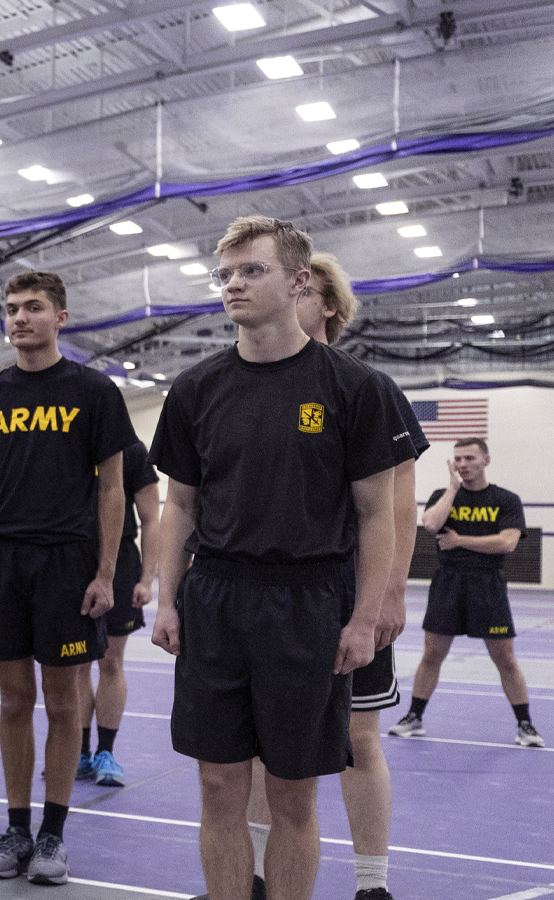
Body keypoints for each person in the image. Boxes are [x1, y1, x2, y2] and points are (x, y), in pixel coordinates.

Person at [148, 217, 413, 900]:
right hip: (218, 600)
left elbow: (377, 513)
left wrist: (362, 618)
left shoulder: (356, 388)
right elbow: (179, 506)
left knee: (293, 796)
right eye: (226, 273)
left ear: (299, 281)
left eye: (251, 270)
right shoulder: (195, 389)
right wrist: (167, 598)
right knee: (217, 787)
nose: (233, 284)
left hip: (309, 605)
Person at [208, 253, 429, 900]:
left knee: (357, 738)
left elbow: (395, 507)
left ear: (328, 304)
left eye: (305, 288)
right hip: (258, 604)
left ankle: (372, 885)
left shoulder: (366, 388)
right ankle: (248, 878)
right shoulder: (239, 388)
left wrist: (386, 594)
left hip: (342, 599)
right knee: (251, 745)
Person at [0, 271, 134, 885]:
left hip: (67, 561)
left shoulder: (94, 391)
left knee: (63, 703)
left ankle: (54, 837)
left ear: (61, 316)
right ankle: (16, 828)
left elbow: (114, 489)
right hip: (4, 559)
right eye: (11, 309)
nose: (19, 318)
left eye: (33, 308)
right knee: (13, 701)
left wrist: (107, 571)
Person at [396, 438, 539, 748]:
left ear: (486, 460)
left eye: (469, 458)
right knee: (432, 653)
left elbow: (507, 543)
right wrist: (451, 489)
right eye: (457, 459)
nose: (462, 464)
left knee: (505, 659)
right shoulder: (443, 496)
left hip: (488, 585)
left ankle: (525, 724)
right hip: (448, 583)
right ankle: (414, 717)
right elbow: (432, 524)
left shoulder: (506, 500)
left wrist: (460, 541)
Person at [78, 435, 158, 789]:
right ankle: (78, 752)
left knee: (110, 661)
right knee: (75, 664)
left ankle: (105, 753)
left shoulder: (133, 451)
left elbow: (152, 519)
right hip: (72, 560)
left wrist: (147, 578)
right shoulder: (71, 440)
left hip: (120, 562)